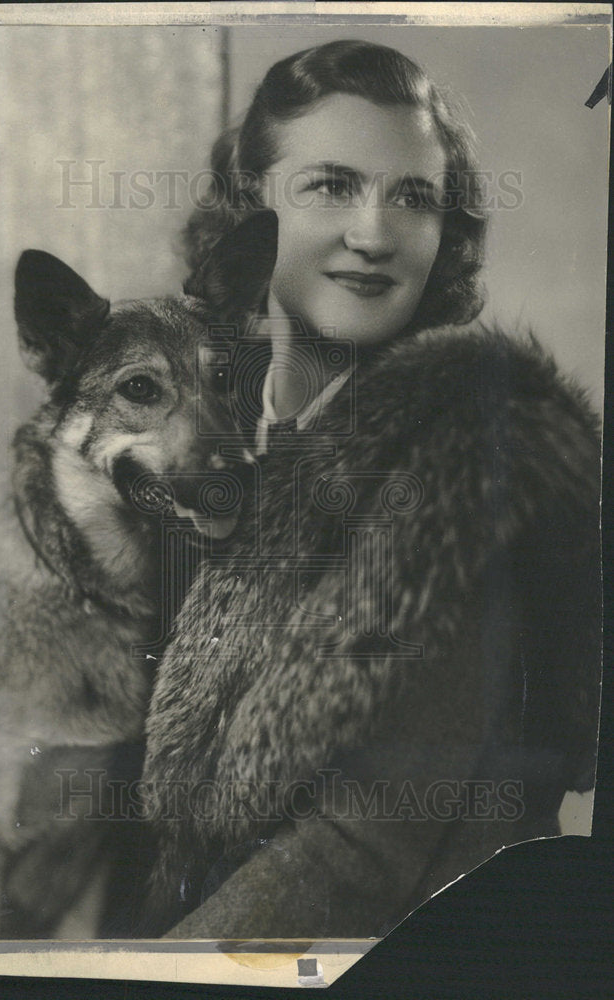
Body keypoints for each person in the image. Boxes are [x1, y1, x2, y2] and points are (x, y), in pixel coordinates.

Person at [141, 40, 601, 939]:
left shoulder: (469, 460)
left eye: (414, 198)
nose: (376, 235)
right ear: (249, 203)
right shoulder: (221, 453)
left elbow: (354, 855)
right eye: (332, 185)